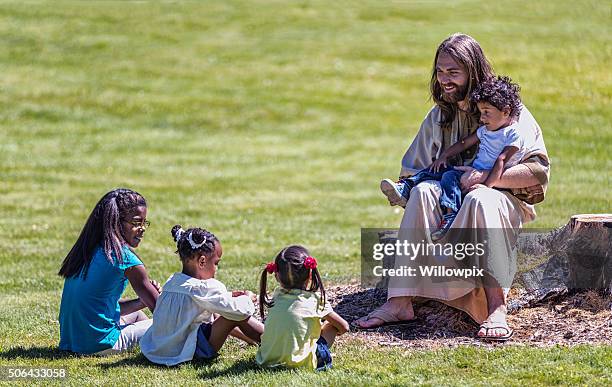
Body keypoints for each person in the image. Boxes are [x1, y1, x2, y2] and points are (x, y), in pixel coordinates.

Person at [354, 33, 550, 341]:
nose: (445, 79)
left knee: (480, 199)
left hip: (499, 205)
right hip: (451, 199)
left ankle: (496, 306)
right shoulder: (439, 117)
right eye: (441, 71)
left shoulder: (510, 113)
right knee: (421, 192)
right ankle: (399, 301)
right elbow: (413, 169)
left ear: (473, 71)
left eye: (453, 72)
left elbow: (538, 173)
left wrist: (486, 180)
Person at [381, 76, 525, 241]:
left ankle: (450, 216)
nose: (482, 118)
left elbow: (502, 160)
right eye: (481, 112)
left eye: (486, 112)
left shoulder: (513, 134)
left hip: (485, 178)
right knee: (439, 170)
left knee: (449, 177)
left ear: (506, 111)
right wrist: (444, 156)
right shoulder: (486, 130)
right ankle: (406, 186)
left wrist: (486, 186)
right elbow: (464, 143)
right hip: (470, 171)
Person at [140, 225, 263, 366]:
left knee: (220, 313)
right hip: (188, 352)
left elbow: (199, 299)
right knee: (234, 315)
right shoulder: (204, 288)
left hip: (158, 350)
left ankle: (252, 340)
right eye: (216, 263)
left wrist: (228, 296)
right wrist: (246, 298)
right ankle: (272, 340)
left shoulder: (172, 282)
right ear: (202, 261)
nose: (216, 269)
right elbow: (239, 310)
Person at [58, 188, 161, 355]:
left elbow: (100, 308)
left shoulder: (87, 251)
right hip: (101, 345)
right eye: (136, 223)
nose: (142, 228)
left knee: (138, 315)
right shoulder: (126, 260)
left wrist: (140, 302)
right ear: (116, 222)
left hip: (73, 342)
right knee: (174, 328)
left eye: (144, 223)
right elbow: (164, 313)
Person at [256, 245, 349, 370]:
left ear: (277, 276)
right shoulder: (315, 299)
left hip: (266, 361)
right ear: (310, 274)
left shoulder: (277, 296)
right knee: (331, 326)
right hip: (302, 364)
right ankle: (310, 357)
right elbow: (344, 327)